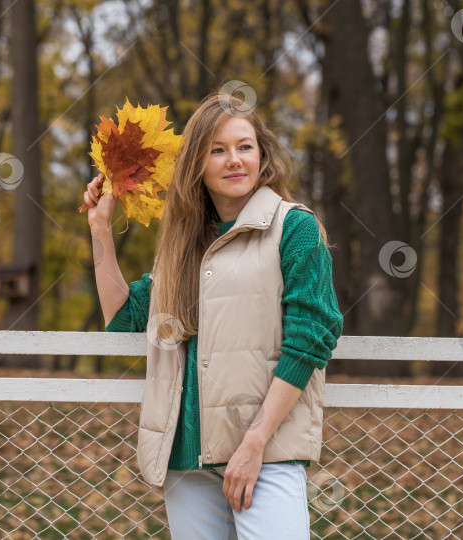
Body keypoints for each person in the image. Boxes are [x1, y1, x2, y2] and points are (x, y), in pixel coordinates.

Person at [82, 92, 343, 540]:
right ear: (197, 164)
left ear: (262, 155)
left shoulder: (294, 229)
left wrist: (255, 442)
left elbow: (312, 337)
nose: (234, 160)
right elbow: (125, 317)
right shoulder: (182, 244)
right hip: (187, 457)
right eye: (217, 150)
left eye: (245, 146)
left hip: (265, 451)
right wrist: (100, 229)